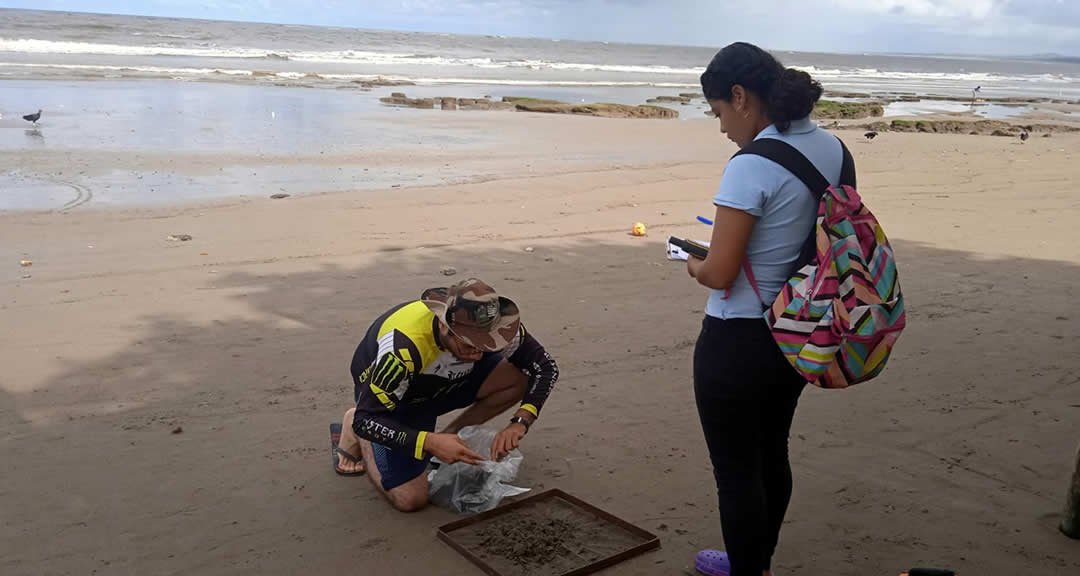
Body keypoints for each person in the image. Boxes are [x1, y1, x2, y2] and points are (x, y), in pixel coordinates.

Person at [686, 42, 847, 576]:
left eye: (719, 113)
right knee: (771, 451)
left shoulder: (750, 166)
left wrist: (695, 265)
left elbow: (721, 272)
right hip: (800, 329)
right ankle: (757, 562)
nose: (724, 127)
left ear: (740, 96)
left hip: (739, 338)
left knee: (735, 472)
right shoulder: (836, 150)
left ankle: (747, 569)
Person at [330, 278, 558, 512]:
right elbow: (367, 421)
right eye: (470, 344)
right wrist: (427, 441)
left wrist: (520, 422)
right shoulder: (401, 350)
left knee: (520, 376)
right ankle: (361, 436)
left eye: (486, 345)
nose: (478, 354)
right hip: (398, 398)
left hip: (442, 381)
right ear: (443, 325)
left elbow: (545, 367)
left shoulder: (494, 328)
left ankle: (447, 441)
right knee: (410, 499)